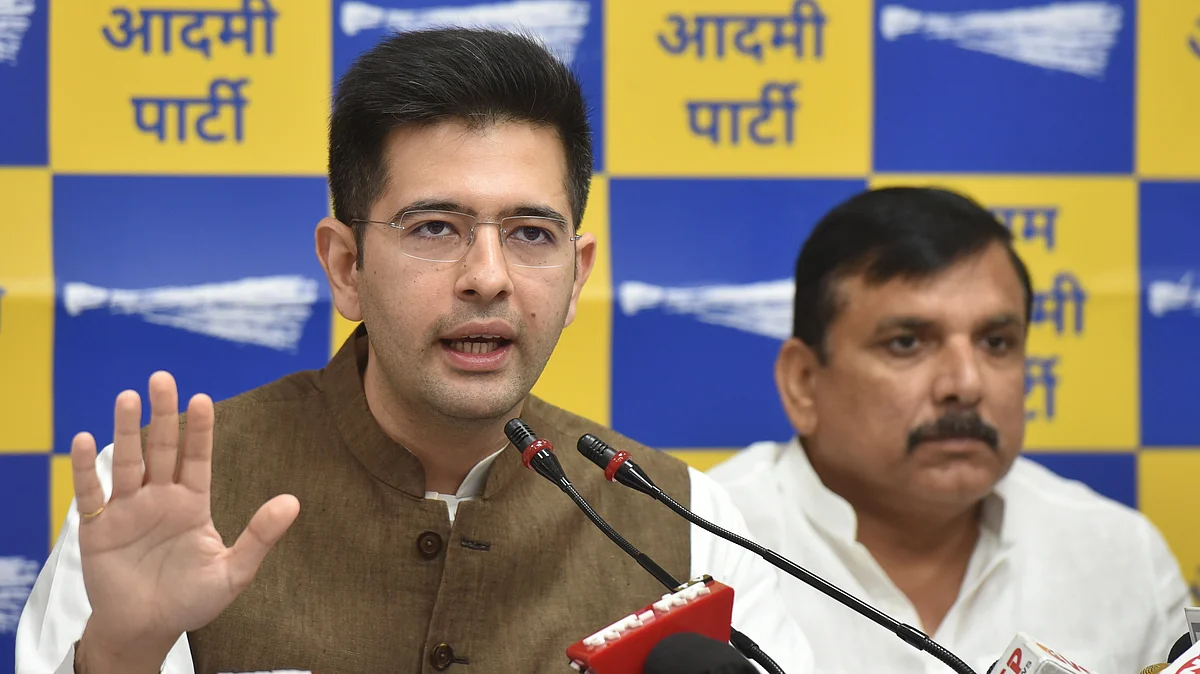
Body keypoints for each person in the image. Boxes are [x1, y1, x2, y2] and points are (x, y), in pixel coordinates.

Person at [16, 28, 814, 674]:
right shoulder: (161, 504)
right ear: (346, 266)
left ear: (577, 276)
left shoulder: (683, 521)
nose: (488, 278)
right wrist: (122, 657)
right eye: (436, 228)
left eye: (531, 234)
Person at [708, 186, 1192, 674]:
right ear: (804, 384)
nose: (965, 383)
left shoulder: (1121, 557)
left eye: (996, 342)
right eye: (906, 343)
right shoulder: (704, 547)